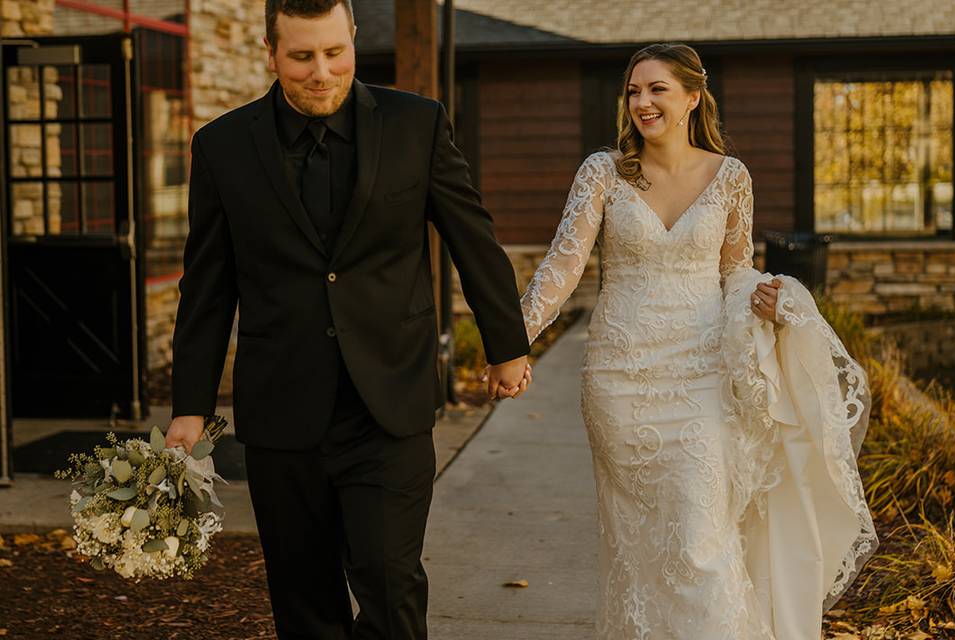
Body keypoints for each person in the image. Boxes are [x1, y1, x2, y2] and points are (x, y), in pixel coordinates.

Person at [164, 1, 531, 638]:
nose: (321, 71)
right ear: (270, 52)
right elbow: (207, 285)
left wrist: (507, 344)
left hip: (389, 403)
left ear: (354, 37)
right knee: (303, 601)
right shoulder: (222, 146)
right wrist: (189, 405)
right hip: (282, 412)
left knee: (391, 586)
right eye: (302, 56)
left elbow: (473, 237)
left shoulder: (417, 124)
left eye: (335, 52)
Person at [519, 43, 877, 639]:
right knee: (637, 547)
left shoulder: (730, 177)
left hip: (701, 376)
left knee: (700, 542)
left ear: (691, 97)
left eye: (657, 89)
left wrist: (768, 298)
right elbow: (563, 266)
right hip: (619, 380)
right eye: (634, 91)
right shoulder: (602, 172)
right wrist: (513, 341)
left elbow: (735, 272)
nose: (642, 102)